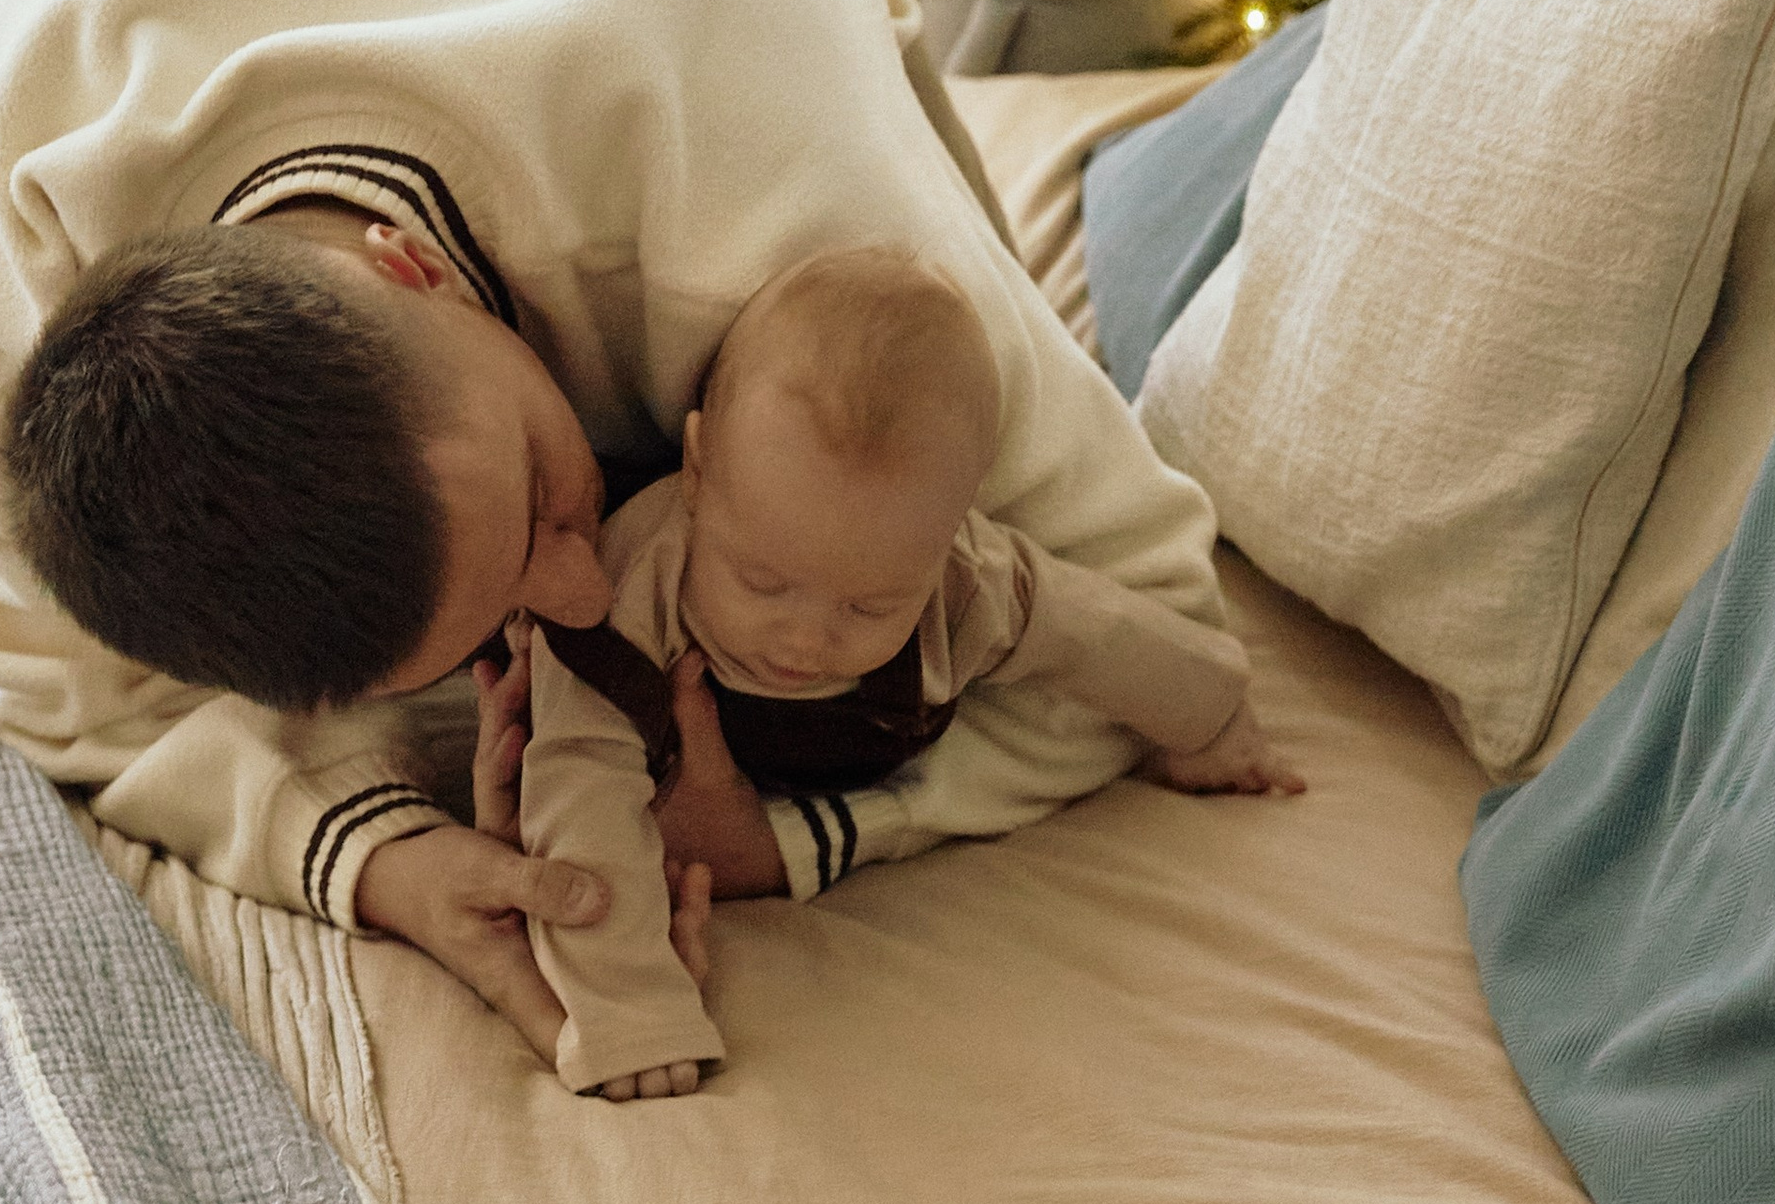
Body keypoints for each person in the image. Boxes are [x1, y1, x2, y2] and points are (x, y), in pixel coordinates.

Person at [0, 0, 1228, 1086]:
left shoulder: (757, 185)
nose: (584, 593)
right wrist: (379, 859)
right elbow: (63, 695)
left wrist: (809, 834)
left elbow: (1154, 601)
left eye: (540, 503)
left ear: (409, 262)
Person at [512, 248, 1302, 1096]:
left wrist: (1210, 718)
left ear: (952, 530)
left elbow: (1097, 632)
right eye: (762, 581)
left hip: (840, 773)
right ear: (698, 470)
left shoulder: (963, 587)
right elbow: (579, 794)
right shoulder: (626, 602)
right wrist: (630, 1007)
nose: (805, 640)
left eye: (869, 607)